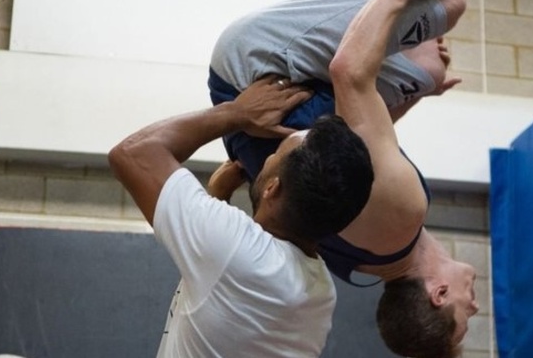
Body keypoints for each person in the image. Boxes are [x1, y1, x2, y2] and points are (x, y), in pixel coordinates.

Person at [207, 0, 479, 356]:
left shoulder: (403, 212)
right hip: (271, 99)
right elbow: (350, 138)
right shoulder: (354, 262)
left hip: (258, 69)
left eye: (465, 318)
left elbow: (350, 71)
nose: (476, 306)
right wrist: (419, 91)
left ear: (438, 293)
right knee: (424, 65)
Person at [108, 75, 375, 357]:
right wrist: (217, 199)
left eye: (276, 153)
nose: (268, 158)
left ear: (272, 187)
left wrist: (236, 112)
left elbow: (132, 154)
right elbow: (217, 282)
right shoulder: (320, 292)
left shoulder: (235, 251)